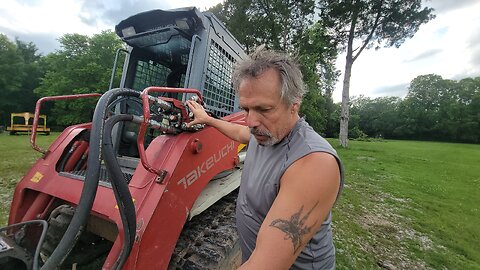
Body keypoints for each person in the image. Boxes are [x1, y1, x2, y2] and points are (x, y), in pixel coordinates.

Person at [186, 48, 344, 269]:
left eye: (264, 109)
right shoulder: (266, 134)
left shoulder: (315, 163)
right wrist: (208, 119)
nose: (250, 122)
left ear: (294, 104)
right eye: (246, 109)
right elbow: (239, 132)